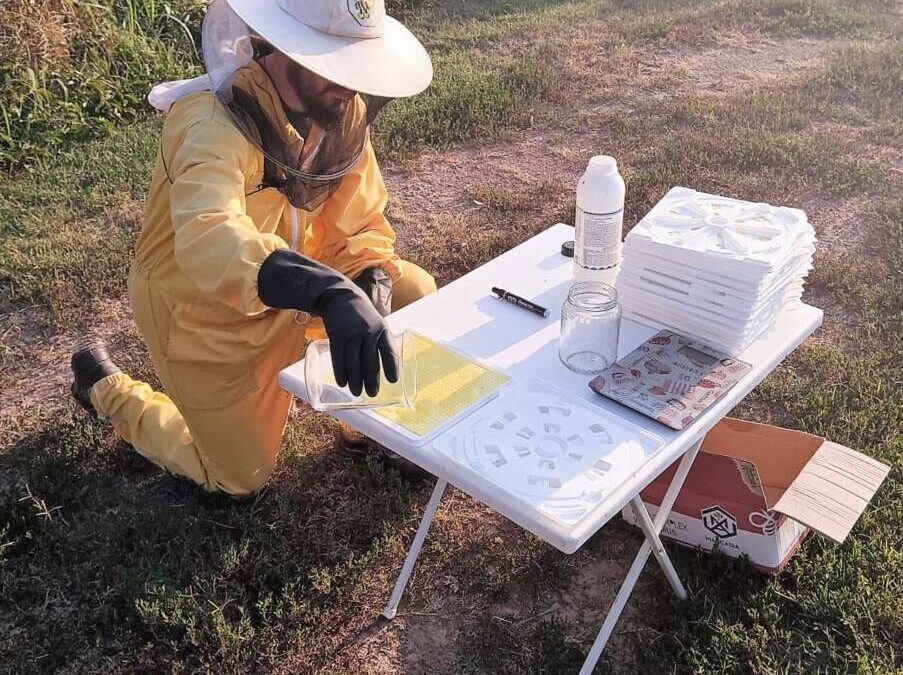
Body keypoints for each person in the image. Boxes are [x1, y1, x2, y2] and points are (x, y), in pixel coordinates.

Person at [69, 0, 436, 495]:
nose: (348, 81)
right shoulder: (208, 124)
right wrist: (328, 292)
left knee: (411, 289)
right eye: (332, 60)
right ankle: (106, 390)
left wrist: (370, 277)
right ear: (285, 45)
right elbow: (211, 236)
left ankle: (364, 425)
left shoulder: (338, 113)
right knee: (240, 478)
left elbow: (361, 222)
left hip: (298, 287)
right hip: (203, 314)